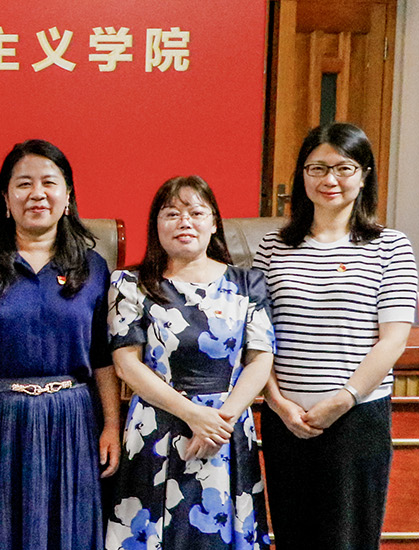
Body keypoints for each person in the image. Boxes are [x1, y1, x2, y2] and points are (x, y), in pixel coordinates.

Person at [0, 139, 121, 549]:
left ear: (67, 196)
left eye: (49, 183)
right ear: (6, 199)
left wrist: (111, 426)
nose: (37, 194)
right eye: (23, 184)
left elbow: (103, 357)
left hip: (72, 420)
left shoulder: (93, 268)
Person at [254, 122, 417, 550]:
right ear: (302, 176)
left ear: (364, 176)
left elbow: (393, 339)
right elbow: (256, 339)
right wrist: (278, 402)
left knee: (349, 540)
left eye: (344, 168)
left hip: (356, 418)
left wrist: (343, 400)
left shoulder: (390, 246)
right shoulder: (271, 247)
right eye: (317, 168)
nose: (330, 179)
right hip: (286, 421)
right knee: (293, 538)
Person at [103, 176, 273, 549]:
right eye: (171, 214)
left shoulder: (248, 283)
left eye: (196, 213)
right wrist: (194, 416)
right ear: (156, 225)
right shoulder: (130, 283)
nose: (185, 222)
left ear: (214, 223)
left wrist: (220, 423)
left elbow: (261, 359)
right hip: (157, 426)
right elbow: (126, 364)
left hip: (226, 428)